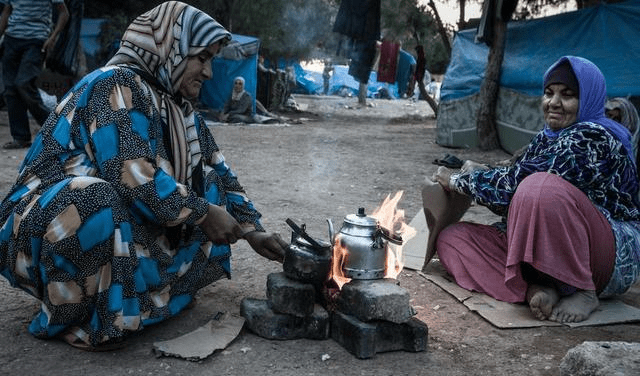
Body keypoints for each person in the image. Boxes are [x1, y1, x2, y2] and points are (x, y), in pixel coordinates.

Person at [0, 1, 287, 350]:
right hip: (39, 227)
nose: (209, 72)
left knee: (207, 184)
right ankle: (77, 317)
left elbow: (222, 173)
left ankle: (143, 299)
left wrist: (253, 230)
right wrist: (203, 213)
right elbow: (132, 177)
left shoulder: (180, 110)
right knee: (96, 199)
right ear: (170, 49)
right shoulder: (115, 84)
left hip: (111, 213)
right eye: (202, 57)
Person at [422, 56, 640, 324]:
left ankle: (583, 290)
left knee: (538, 186)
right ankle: (536, 287)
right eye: (549, 93)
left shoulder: (594, 136)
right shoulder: (547, 137)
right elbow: (514, 186)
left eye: (568, 95)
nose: (554, 103)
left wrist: (458, 180)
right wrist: (480, 173)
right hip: (545, 245)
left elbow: (519, 185)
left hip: (604, 254)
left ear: (589, 99)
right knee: (452, 240)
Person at [0, 0, 69, 149]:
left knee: (23, 83)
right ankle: (21, 137)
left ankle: (54, 127)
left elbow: (64, 13)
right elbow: (6, 11)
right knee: (11, 90)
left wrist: (53, 38)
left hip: (36, 41)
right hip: (11, 39)